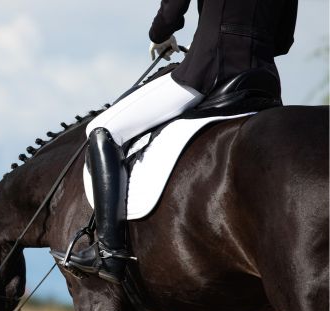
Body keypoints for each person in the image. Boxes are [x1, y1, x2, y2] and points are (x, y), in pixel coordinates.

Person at [74, 0, 298, 284]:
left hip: (208, 72)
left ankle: (109, 252)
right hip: (264, 83)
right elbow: (283, 41)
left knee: (103, 128)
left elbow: (171, 10)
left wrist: (161, 34)